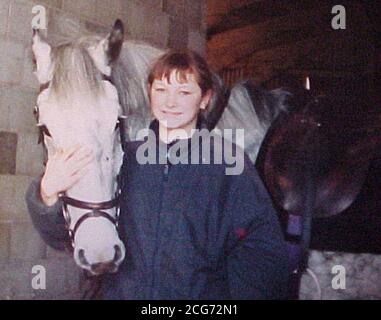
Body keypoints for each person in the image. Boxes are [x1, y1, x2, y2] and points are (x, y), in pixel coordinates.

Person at [26, 49, 289, 299]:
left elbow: (260, 251)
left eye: (184, 92)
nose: (170, 102)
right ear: (149, 93)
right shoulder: (125, 159)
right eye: (161, 90)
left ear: (205, 99)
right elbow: (68, 236)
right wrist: (46, 194)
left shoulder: (229, 164)